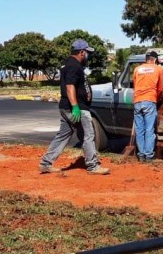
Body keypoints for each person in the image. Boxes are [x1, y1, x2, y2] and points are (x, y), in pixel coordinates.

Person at [39, 39, 110, 175]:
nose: (88, 55)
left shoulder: (68, 64)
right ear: (82, 52)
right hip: (77, 109)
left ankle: (46, 163)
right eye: (87, 52)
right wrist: (76, 107)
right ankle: (92, 166)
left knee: (63, 136)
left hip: (68, 107)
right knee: (89, 135)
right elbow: (70, 86)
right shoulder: (74, 66)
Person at [132, 50, 163, 162]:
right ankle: (149, 156)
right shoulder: (158, 69)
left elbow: (135, 85)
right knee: (149, 129)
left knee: (139, 130)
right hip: (150, 100)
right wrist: (158, 98)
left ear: (146, 59)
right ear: (155, 60)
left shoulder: (137, 69)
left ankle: (141, 155)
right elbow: (160, 89)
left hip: (137, 101)